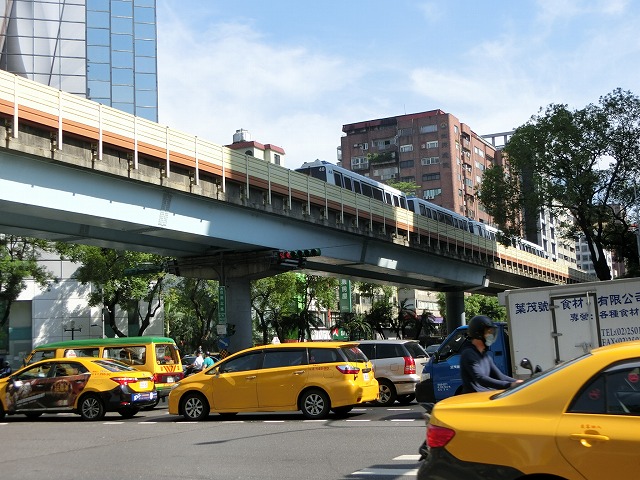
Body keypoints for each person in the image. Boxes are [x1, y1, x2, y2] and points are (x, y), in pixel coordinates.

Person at [460, 315, 523, 394]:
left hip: (485, 395)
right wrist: (510, 385)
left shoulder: (484, 356)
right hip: (474, 397)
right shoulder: (468, 354)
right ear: (478, 333)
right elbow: (480, 378)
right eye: (488, 332)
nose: (491, 335)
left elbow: (500, 376)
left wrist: (520, 382)